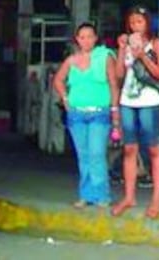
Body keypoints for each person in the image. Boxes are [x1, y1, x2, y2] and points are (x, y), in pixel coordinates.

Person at [51, 22, 118, 209]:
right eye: (82, 37)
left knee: (97, 153)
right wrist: (65, 97)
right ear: (77, 40)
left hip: (99, 112)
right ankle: (86, 195)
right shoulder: (71, 60)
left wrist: (115, 112)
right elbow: (58, 79)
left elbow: (113, 84)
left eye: (90, 36)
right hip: (76, 114)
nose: (86, 40)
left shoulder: (105, 56)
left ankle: (102, 195)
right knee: (84, 155)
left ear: (96, 38)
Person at [111, 6, 159, 219]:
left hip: (149, 101)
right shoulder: (126, 44)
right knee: (129, 149)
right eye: (133, 22)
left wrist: (142, 55)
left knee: (153, 149)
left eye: (140, 22)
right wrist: (121, 50)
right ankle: (129, 196)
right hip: (128, 100)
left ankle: (156, 199)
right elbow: (118, 76)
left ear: (147, 23)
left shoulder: (157, 44)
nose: (136, 26)